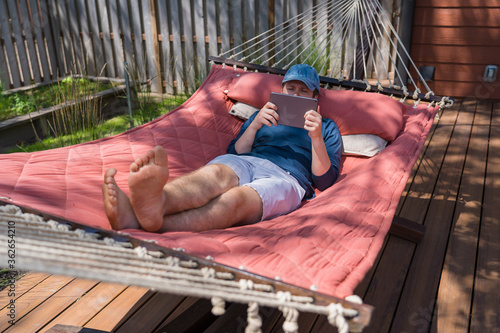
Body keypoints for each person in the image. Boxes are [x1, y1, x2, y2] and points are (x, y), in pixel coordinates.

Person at [102, 64, 342, 233]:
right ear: (282, 89)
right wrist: (255, 125)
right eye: (291, 89)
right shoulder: (263, 114)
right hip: (248, 160)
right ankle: (158, 201)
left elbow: (324, 182)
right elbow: (235, 152)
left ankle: (144, 219)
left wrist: (316, 137)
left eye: (304, 91)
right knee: (214, 174)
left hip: (287, 178)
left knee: (235, 200)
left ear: (315, 97)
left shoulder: (327, 127)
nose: (296, 94)